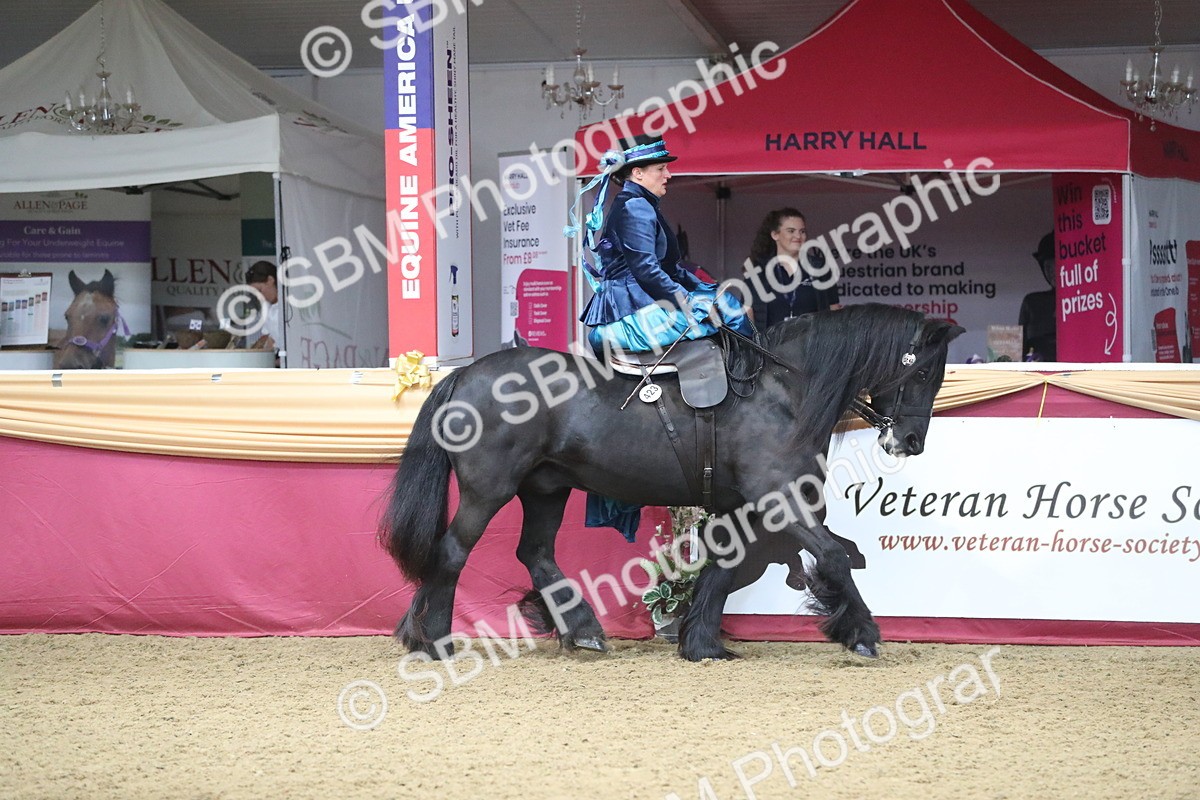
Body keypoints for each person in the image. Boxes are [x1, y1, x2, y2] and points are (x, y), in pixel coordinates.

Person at [577, 136, 751, 356]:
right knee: (728, 310)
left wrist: (702, 287)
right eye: (661, 168)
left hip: (639, 302)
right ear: (638, 173)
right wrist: (689, 302)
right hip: (632, 310)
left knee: (723, 301)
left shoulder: (639, 204)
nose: (668, 175)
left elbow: (668, 268)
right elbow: (647, 271)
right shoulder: (635, 207)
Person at [746, 207, 841, 329]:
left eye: (802, 231)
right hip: (769, 347)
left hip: (812, 345)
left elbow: (833, 310)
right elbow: (748, 316)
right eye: (791, 231)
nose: (798, 236)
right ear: (775, 235)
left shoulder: (820, 267)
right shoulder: (758, 271)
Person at [1018, 233, 1056, 361]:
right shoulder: (1033, 303)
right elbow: (1018, 354)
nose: (1051, 271)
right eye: (1047, 266)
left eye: (1055, 265)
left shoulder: (1088, 302)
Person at [244, 260, 282, 354]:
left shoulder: (289, 307)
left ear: (270, 280)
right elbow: (268, 338)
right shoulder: (266, 307)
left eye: (260, 290)